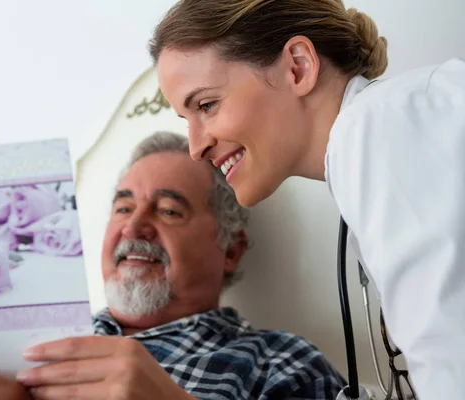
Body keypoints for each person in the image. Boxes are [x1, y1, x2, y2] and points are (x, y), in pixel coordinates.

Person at [0, 132, 346, 400]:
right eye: (122, 207)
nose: (134, 227)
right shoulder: (25, 342)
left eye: (169, 209)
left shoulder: (281, 363)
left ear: (231, 249)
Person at [150, 0, 465, 399]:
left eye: (207, 105)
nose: (196, 147)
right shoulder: (383, 130)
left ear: (298, 66)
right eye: (186, 119)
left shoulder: (380, 129)